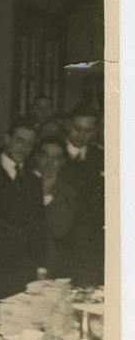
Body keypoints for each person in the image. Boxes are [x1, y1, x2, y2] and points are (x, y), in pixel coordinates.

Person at [0, 119, 45, 302]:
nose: (24, 147)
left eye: (30, 143)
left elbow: (38, 228)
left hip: (23, 272)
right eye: (19, 141)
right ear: (7, 139)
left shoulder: (34, 182)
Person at [60, 105, 104, 286]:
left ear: (95, 131)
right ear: (68, 125)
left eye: (87, 130)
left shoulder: (100, 156)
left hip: (89, 241)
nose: (81, 135)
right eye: (77, 128)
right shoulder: (53, 153)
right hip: (60, 240)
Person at [33, 135, 78, 279]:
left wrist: (45, 197)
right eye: (45, 156)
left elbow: (60, 230)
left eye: (56, 158)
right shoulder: (20, 182)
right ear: (37, 157)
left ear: (63, 162)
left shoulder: (67, 192)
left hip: (49, 264)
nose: (50, 162)